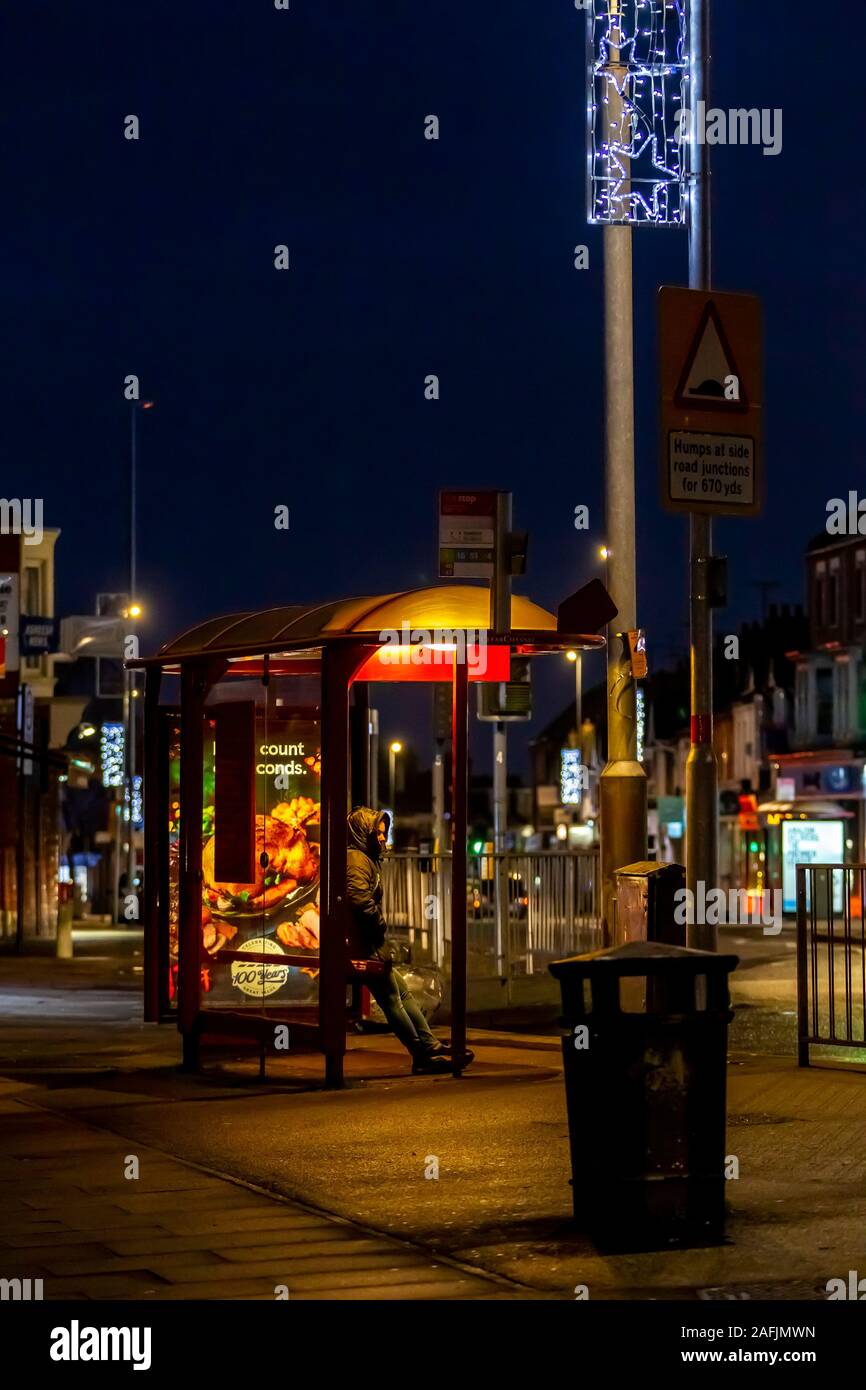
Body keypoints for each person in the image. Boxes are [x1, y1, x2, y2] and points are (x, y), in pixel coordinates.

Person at [346, 806, 473, 1075]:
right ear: (363, 833)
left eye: (383, 833)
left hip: (369, 943)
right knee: (392, 999)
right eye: (377, 833)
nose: (382, 838)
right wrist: (379, 927)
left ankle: (428, 1045)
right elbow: (359, 901)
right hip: (364, 944)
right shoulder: (357, 859)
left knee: (400, 993)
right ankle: (422, 1053)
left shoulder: (365, 858)